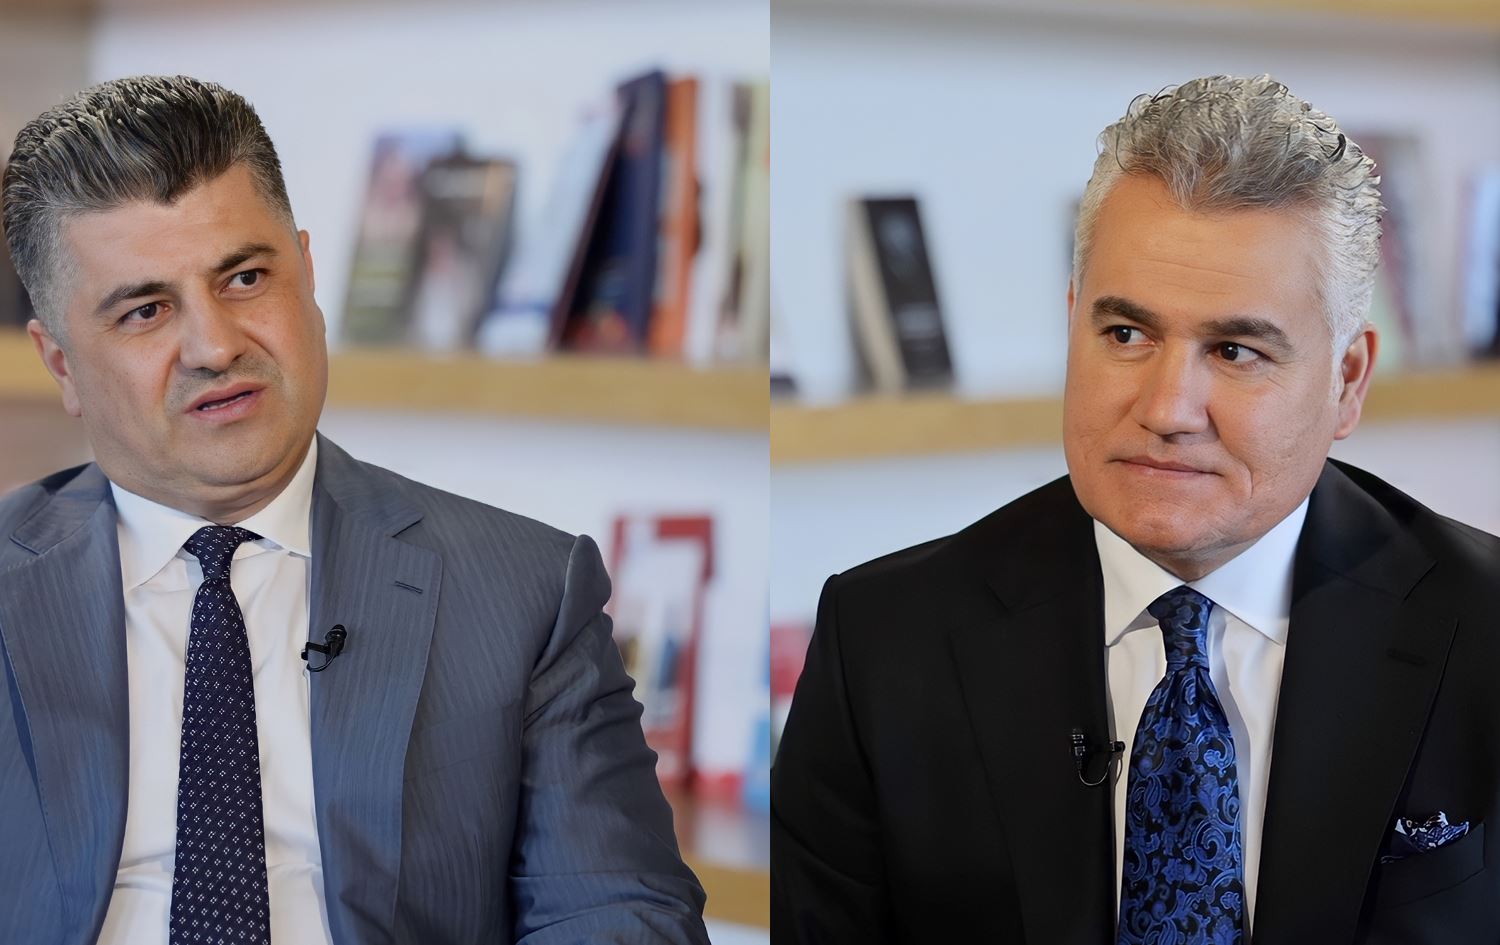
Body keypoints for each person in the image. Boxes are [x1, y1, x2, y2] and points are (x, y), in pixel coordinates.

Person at [772, 75, 1500, 944]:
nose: (1167, 409)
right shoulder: (883, 641)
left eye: (1235, 350)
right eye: (1126, 335)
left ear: (1347, 380)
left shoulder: (1484, 628)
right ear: (1072, 323)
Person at [0, 75, 708, 945]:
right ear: (61, 363)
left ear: (306, 275)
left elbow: (620, 911)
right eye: (146, 310)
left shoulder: (526, 593)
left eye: (246, 277)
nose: (215, 345)